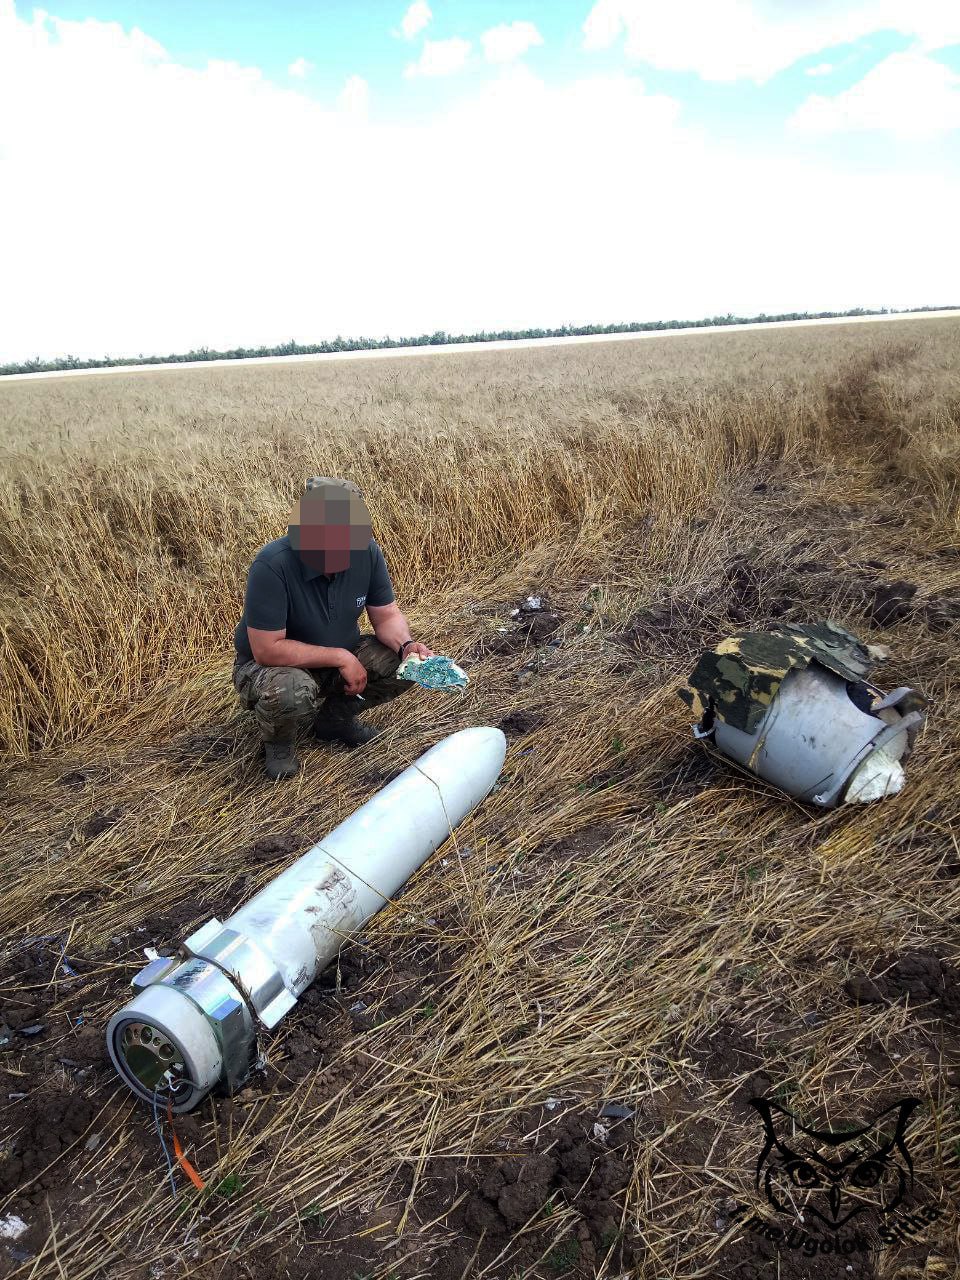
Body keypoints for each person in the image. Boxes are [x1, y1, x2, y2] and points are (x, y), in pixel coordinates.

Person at [232, 476, 434, 779]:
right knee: (291, 690)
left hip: (338, 657)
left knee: (407, 664)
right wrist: (341, 657)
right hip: (271, 668)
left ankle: (334, 721)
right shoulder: (272, 564)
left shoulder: (366, 552)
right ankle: (279, 743)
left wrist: (406, 646)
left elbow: (386, 616)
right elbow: (266, 650)